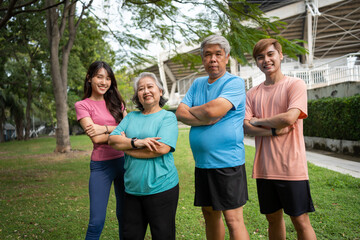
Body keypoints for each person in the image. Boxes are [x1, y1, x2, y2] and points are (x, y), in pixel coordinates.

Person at [176, 35, 249, 240]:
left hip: (227, 163)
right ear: (202, 59)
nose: (213, 59)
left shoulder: (234, 83)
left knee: (233, 219)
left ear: (226, 57)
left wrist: (200, 112)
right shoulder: (198, 83)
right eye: (207, 55)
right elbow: (180, 113)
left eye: (218, 54)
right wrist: (205, 118)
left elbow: (214, 109)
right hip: (203, 164)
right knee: (209, 214)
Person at [243, 38, 317, 240]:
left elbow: (289, 117)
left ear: (280, 55)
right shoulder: (252, 93)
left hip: (292, 168)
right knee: (273, 219)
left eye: (270, 54)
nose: (266, 60)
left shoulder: (295, 84)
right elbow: (245, 127)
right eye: (260, 57)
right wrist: (273, 131)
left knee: (300, 221)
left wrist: (259, 121)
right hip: (265, 169)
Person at [108, 72, 179, 240]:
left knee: (163, 236)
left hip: (162, 188)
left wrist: (125, 147)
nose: (145, 91)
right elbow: (112, 140)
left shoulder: (168, 117)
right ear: (137, 95)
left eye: (150, 87)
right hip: (132, 190)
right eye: (141, 89)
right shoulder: (131, 117)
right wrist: (137, 142)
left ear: (160, 91)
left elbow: (160, 149)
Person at [74, 61, 127, 240]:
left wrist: (103, 128)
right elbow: (95, 138)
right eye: (99, 77)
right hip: (101, 166)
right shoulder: (82, 105)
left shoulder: (117, 102)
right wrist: (117, 129)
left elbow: (129, 129)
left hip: (125, 163)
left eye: (108, 78)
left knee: (125, 216)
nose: (104, 82)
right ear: (89, 78)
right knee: (96, 221)